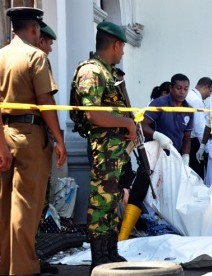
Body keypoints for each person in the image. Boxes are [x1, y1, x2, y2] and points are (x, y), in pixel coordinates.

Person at [0, 7, 66, 275]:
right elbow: (45, 101)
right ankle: (24, 268)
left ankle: (6, 266)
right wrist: (59, 140)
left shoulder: (1, 56)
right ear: (34, 28)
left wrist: (2, 145)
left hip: (4, 133)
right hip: (30, 136)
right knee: (27, 206)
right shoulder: (35, 56)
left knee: (5, 206)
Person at [72, 20, 135, 272]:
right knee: (101, 203)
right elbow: (93, 114)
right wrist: (126, 123)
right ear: (116, 44)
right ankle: (99, 259)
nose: (123, 52)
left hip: (116, 151)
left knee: (112, 200)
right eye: (123, 48)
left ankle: (110, 252)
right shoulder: (92, 71)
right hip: (104, 149)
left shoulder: (108, 72)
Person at [118, 73, 193, 241]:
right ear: (172, 88)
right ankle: (123, 235)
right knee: (140, 189)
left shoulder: (189, 109)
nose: (182, 92)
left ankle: (181, 233)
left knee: (177, 194)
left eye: (186, 89)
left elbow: (187, 138)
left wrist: (186, 157)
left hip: (173, 159)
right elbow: (141, 125)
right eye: (179, 88)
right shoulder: (159, 104)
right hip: (153, 155)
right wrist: (158, 135)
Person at [187, 77, 212, 179]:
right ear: (206, 87)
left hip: (187, 141)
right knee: (197, 176)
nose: (209, 95)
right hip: (194, 143)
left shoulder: (189, 95)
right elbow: (199, 129)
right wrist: (205, 148)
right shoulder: (196, 100)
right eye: (210, 91)